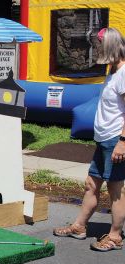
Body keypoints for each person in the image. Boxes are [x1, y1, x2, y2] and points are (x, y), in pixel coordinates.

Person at [53, 27, 125, 252]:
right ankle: (79, 227)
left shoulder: (124, 73)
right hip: (103, 139)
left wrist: (123, 141)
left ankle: (115, 236)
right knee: (91, 185)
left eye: (99, 45)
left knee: (116, 190)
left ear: (110, 46)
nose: (96, 49)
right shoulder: (112, 72)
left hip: (115, 140)